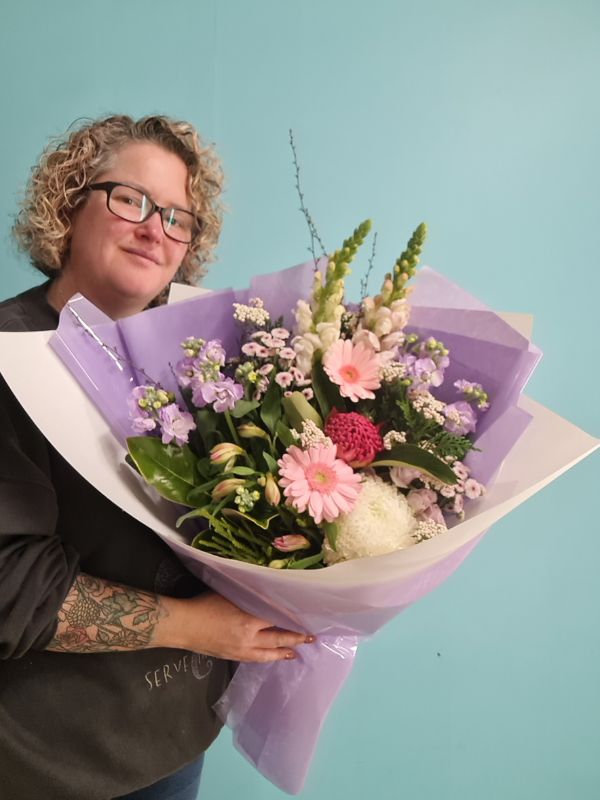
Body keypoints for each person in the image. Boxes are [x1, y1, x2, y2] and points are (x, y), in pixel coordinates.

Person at [0, 114, 313, 800]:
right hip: (46, 758)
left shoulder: (204, 355)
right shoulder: (6, 356)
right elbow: (9, 591)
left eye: (178, 217)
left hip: (173, 730)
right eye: (130, 200)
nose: (155, 229)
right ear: (68, 204)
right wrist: (201, 627)